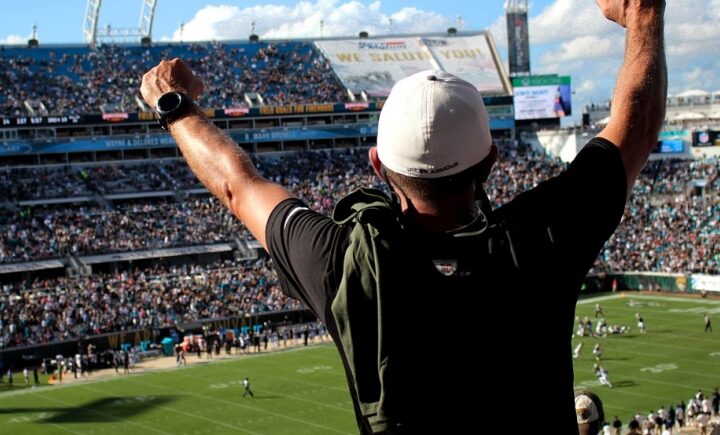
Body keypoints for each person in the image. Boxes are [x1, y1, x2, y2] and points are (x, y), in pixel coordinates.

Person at [139, 0, 666, 432]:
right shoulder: (541, 238)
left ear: (378, 166)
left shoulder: (341, 258)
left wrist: (175, 108)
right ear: (489, 162)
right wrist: (642, 15)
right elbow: (636, 128)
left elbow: (238, 185)